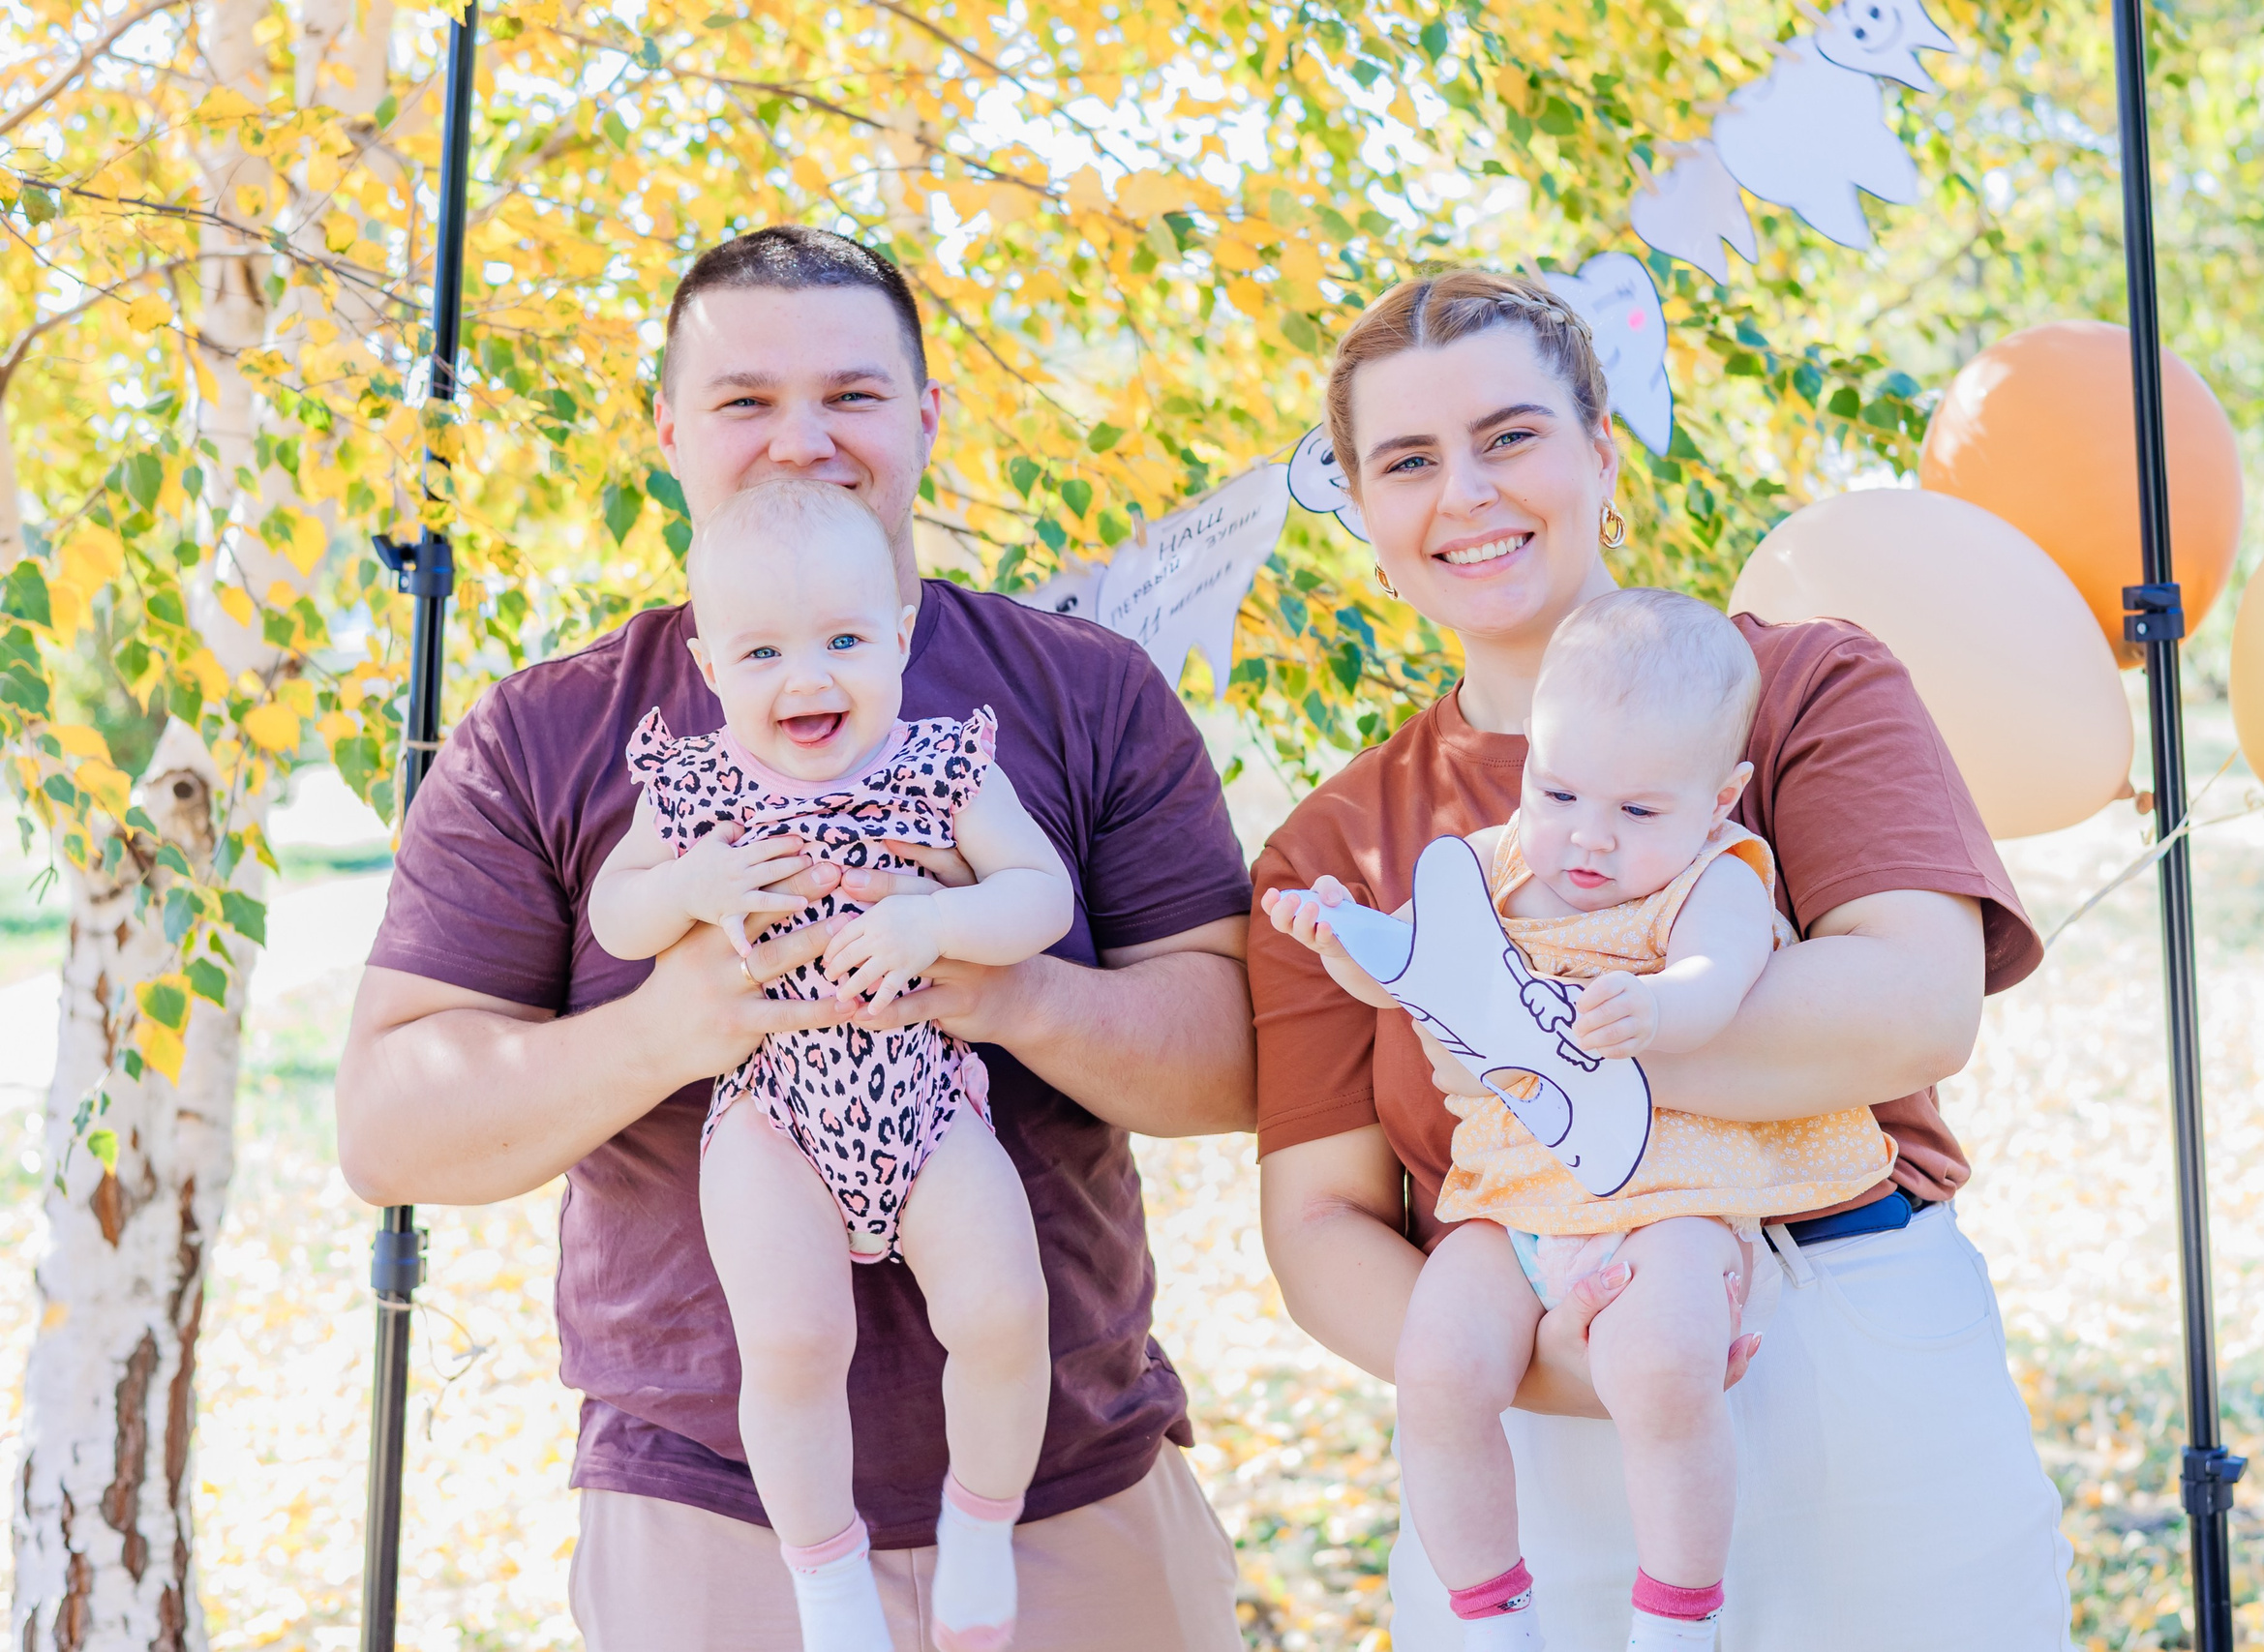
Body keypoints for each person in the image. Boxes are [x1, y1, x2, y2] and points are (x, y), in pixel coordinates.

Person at [336, 225, 1253, 1652]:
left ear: (930, 417)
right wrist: (684, 1017)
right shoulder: (560, 731)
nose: (802, 440)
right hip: (709, 1523)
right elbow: (391, 1131)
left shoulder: (1071, 696)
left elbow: (1236, 1068)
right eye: (746, 400)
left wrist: (997, 985)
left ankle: (981, 1523)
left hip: (1073, 1494)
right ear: (671, 432)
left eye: (855, 395)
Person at [1247, 269, 2073, 1651]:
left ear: (1601, 453)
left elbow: (1913, 1004)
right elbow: (1320, 1219)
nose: (1466, 493)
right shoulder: (1336, 845)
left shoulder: (1802, 687)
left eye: (1511, 435)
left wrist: (1502, 1030)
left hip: (1843, 1341)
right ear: (1367, 514)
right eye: (1408, 461)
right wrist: (1557, 1359)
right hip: (1523, 1403)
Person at [1266, 588, 1902, 1651]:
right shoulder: (1493, 865)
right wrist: (1341, 938)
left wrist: (1659, 1005)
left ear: (1718, 799)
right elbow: (1412, 970)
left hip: (1664, 1201)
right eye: (1557, 790)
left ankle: (1677, 1616)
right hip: (1511, 1200)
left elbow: (1722, 972)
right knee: (1436, 1366)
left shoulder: (1712, 876)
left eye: (1637, 811)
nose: (1588, 840)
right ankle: (1489, 1613)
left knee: (1664, 1366)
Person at [590, 482, 1074, 1652]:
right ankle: (827, 1579)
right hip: (773, 1108)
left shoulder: (944, 768)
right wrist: (690, 889)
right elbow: (617, 915)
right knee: (795, 1343)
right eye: (762, 652)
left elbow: (1041, 897)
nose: (806, 680)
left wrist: (933, 926)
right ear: (710, 668)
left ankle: (979, 1522)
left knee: (1007, 1311)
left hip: (922, 1094)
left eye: (845, 641)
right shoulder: (699, 786)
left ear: (900, 637)